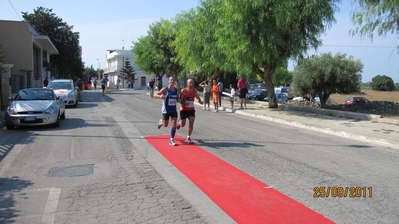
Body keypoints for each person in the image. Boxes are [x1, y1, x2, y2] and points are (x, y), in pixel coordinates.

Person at [155, 76, 180, 146]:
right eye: (171, 80)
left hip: (173, 110)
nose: (172, 81)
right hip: (166, 110)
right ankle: (161, 122)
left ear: (175, 82)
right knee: (165, 125)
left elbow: (177, 99)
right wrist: (160, 96)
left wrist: (182, 101)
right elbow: (155, 95)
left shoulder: (176, 90)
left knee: (174, 123)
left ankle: (171, 139)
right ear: (168, 81)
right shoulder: (165, 90)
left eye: (173, 80)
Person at [178, 79, 203, 144]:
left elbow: (197, 97)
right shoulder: (184, 91)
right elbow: (180, 100)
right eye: (190, 83)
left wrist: (200, 101)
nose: (191, 84)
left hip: (191, 109)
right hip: (183, 109)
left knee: (191, 122)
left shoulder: (195, 91)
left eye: (192, 83)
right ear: (187, 84)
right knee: (182, 125)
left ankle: (188, 137)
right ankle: (179, 123)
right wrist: (184, 103)